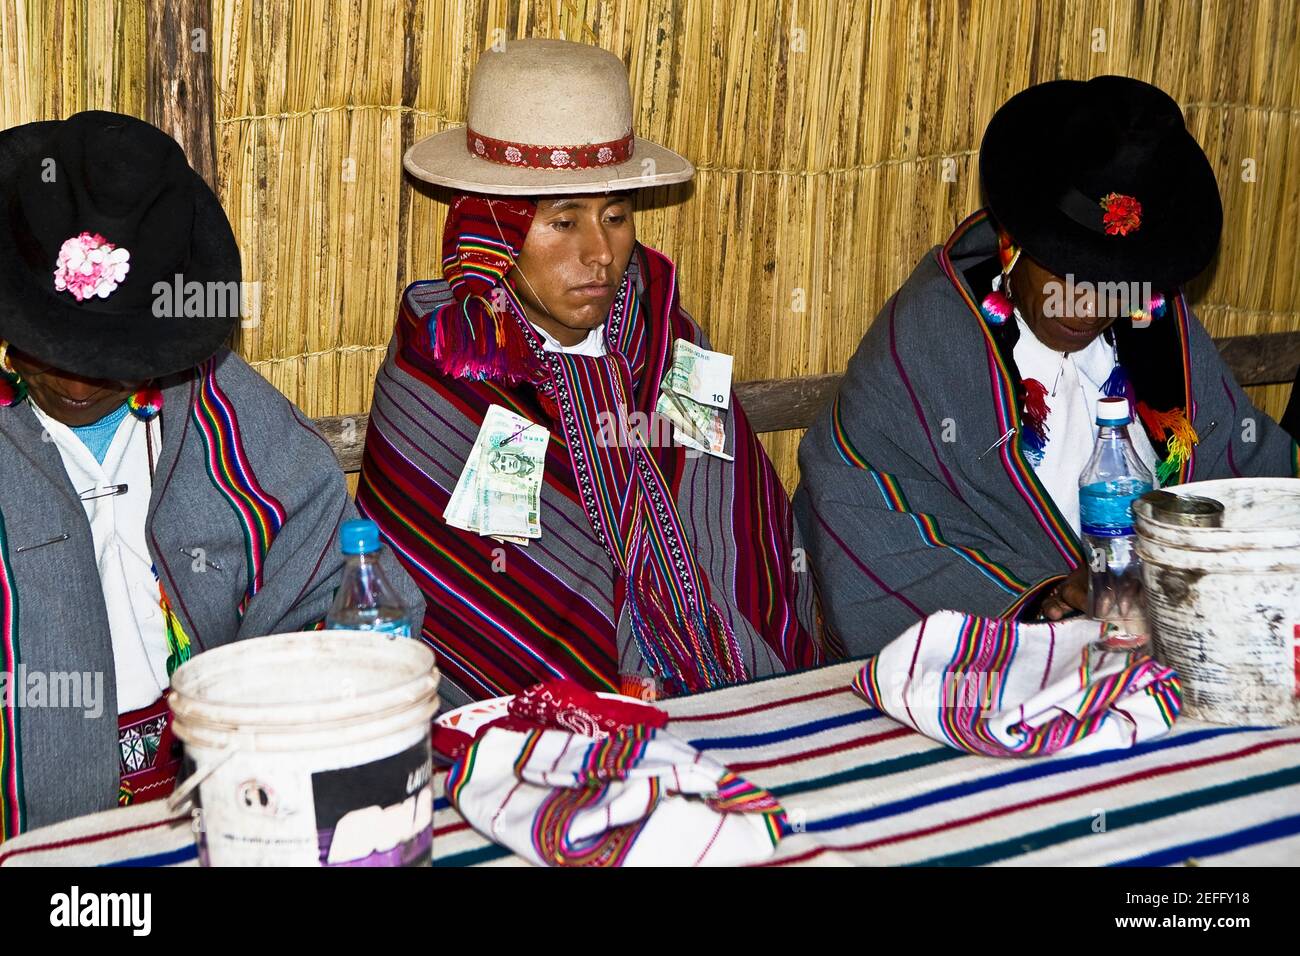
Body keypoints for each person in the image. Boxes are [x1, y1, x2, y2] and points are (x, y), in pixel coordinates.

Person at [358, 39, 823, 707]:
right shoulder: (450, 369)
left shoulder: (671, 345)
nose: (600, 252)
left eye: (615, 217)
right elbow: (470, 593)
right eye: (563, 221)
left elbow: (737, 530)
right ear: (493, 232)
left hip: (727, 699)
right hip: (528, 727)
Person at [0, 111, 423, 841]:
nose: (74, 383)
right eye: (49, 348)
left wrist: (293, 692)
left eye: (108, 358)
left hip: (220, 805)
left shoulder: (231, 418)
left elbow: (343, 591)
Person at [794, 76, 1300, 657]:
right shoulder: (932, 340)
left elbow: (1246, 474)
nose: (1087, 307)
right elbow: (863, 511)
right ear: (1014, 242)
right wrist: (1046, 597)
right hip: (997, 665)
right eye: (1067, 271)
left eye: (1115, 283)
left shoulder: (1155, 323)